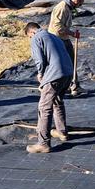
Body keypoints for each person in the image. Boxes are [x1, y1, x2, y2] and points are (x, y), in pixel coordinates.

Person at [24, 21, 73, 154]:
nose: (30, 39)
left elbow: (39, 60)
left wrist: (40, 75)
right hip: (68, 73)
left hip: (55, 75)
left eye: (29, 36)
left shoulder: (36, 37)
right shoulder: (54, 37)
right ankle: (62, 132)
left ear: (31, 32)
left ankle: (43, 143)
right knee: (57, 101)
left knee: (44, 107)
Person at [48, 0, 84, 96]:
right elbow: (58, 28)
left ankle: (73, 85)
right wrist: (72, 33)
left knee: (71, 61)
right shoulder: (62, 8)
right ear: (76, 1)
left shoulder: (67, 7)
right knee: (65, 62)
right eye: (79, 5)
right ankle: (67, 85)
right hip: (57, 39)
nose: (78, 7)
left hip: (63, 37)